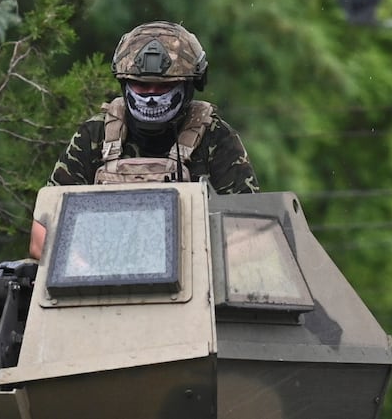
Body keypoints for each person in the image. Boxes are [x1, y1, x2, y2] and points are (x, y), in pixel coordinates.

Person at [29, 20, 259, 259]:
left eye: (162, 86)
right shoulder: (95, 135)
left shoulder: (216, 138)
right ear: (124, 83)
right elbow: (41, 237)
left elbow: (249, 235)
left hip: (194, 286)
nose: (150, 95)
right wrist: (86, 267)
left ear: (190, 85)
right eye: (141, 84)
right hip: (98, 284)